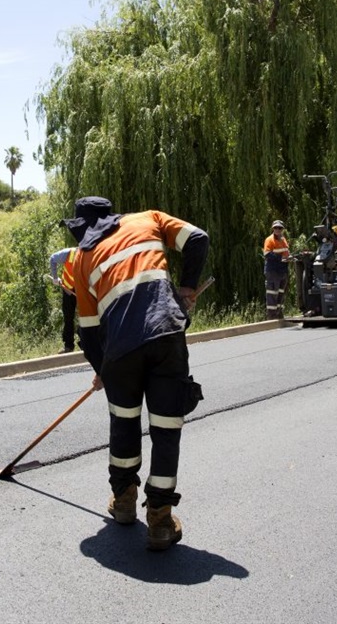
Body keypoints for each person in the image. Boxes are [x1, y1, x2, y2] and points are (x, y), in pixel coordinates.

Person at [64, 196, 209, 551]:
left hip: (121, 351)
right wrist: (188, 287)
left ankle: (125, 502)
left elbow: (88, 330)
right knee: (165, 428)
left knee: (124, 422)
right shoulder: (150, 218)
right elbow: (198, 239)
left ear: (84, 229)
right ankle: (159, 519)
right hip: (165, 334)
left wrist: (104, 370)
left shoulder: (81, 260)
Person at [48, 246, 77, 353]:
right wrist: (55, 278)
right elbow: (53, 259)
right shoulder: (69, 253)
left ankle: (86, 343)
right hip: (67, 289)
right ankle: (69, 346)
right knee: (68, 317)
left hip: (82, 291)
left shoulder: (90, 254)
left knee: (87, 316)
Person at [263, 220, 290, 319]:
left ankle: (279, 313)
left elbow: (286, 252)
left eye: (280, 228)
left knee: (281, 292)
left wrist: (290, 257)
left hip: (283, 270)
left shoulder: (283, 239)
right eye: (276, 228)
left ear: (282, 229)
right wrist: (281, 258)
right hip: (273, 271)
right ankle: (272, 316)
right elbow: (267, 254)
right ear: (273, 229)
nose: (278, 230)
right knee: (272, 293)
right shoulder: (269, 240)